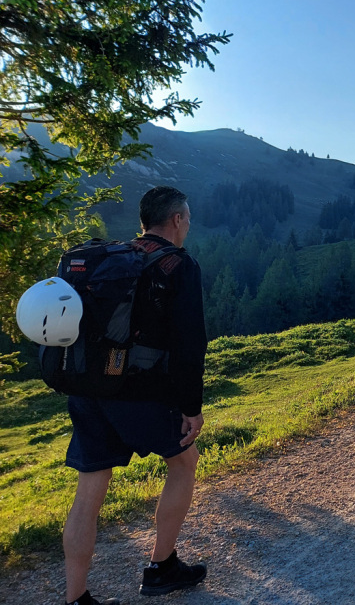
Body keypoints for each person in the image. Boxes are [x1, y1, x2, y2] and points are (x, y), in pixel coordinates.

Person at [62, 186, 208, 605]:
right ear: (177, 220)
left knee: (89, 488)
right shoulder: (177, 265)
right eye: (188, 218)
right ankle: (162, 568)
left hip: (88, 389)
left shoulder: (107, 258)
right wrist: (191, 408)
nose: (188, 225)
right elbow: (189, 345)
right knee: (183, 460)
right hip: (140, 393)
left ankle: (76, 598)